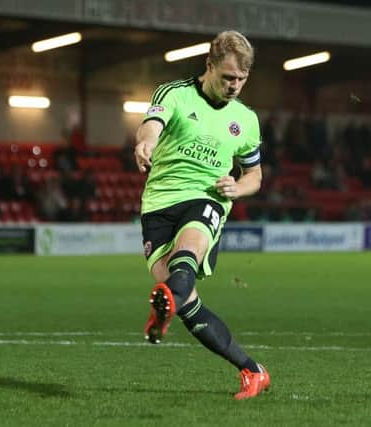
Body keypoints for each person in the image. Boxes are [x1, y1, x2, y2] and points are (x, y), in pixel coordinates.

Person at [133, 30, 270, 400]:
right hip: (159, 204)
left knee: (186, 259)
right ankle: (253, 370)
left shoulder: (247, 119)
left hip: (206, 199)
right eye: (228, 77)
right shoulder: (175, 93)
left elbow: (254, 175)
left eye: (241, 79)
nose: (234, 86)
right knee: (184, 299)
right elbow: (153, 125)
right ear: (209, 66)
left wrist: (236, 189)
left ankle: (160, 312)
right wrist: (145, 142)